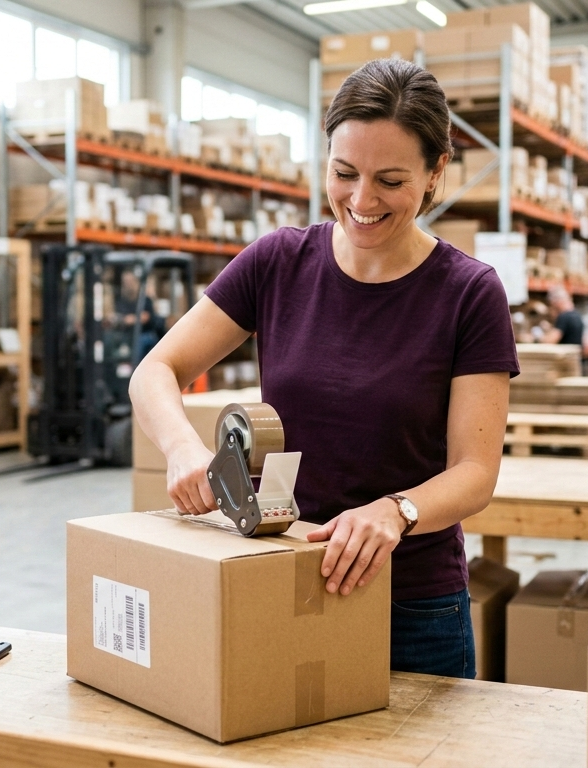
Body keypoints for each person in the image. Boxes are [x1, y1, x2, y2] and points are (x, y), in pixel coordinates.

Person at [129, 58, 519, 679]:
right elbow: (155, 369)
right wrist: (181, 449)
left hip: (411, 609)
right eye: (344, 174)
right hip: (279, 579)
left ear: (435, 170)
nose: (361, 201)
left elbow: (474, 472)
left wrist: (394, 511)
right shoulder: (278, 263)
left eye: (390, 180)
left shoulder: (469, 293)